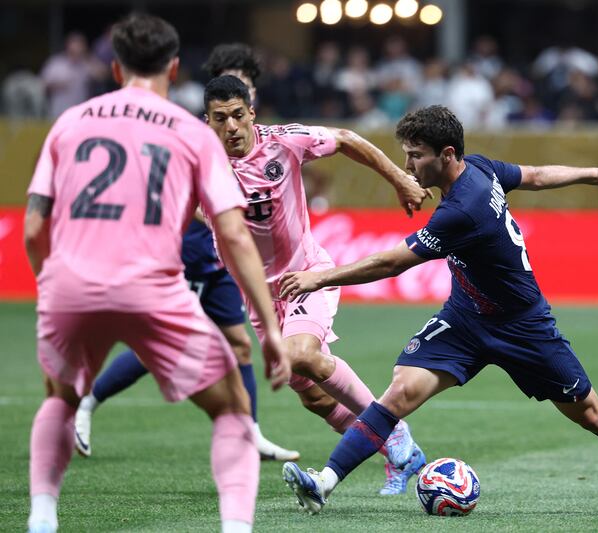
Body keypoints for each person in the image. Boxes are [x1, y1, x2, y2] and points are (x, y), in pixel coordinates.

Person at [278, 105, 598, 515]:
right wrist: (593, 174)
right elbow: (536, 176)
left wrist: (320, 278)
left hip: (522, 326)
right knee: (399, 391)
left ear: (447, 154)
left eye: (416, 155)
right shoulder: (480, 168)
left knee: (591, 414)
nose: (408, 164)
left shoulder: (462, 211)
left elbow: (391, 263)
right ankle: (323, 484)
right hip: (465, 317)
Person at [23, 14, 290, 533]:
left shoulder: (70, 122)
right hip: (152, 286)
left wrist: (48, 286)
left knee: (60, 397)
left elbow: (35, 225)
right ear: (173, 67)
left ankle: (41, 517)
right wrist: (271, 328)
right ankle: (236, 527)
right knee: (233, 407)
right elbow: (234, 236)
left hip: (70, 284)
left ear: (117, 68)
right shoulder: (193, 134)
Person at [202, 74, 432, 495]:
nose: (231, 127)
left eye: (238, 115)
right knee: (316, 399)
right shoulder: (198, 165)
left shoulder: (284, 141)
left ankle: (395, 431)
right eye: (221, 119)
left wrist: (400, 179)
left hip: (305, 274)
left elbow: (345, 138)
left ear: (251, 113)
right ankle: (398, 452)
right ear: (208, 121)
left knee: (299, 354)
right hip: (258, 298)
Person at [73, 43, 299, 463]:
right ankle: (85, 401)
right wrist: (219, 215)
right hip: (193, 254)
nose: (236, 101)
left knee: (240, 346)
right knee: (160, 346)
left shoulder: (251, 136)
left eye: (245, 87)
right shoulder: (195, 136)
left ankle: (251, 433)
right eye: (230, 86)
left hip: (224, 261)